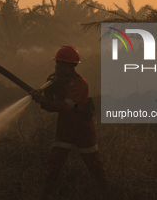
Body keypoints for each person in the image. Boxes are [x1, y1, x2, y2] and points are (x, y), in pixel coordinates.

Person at [30, 45, 107, 196]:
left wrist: (42, 101)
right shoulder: (56, 81)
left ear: (71, 66)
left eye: (61, 64)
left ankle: (105, 192)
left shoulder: (80, 84)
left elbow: (65, 106)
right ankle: (46, 193)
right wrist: (46, 89)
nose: (57, 66)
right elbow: (50, 103)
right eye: (57, 63)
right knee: (55, 161)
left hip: (82, 129)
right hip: (65, 127)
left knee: (94, 163)